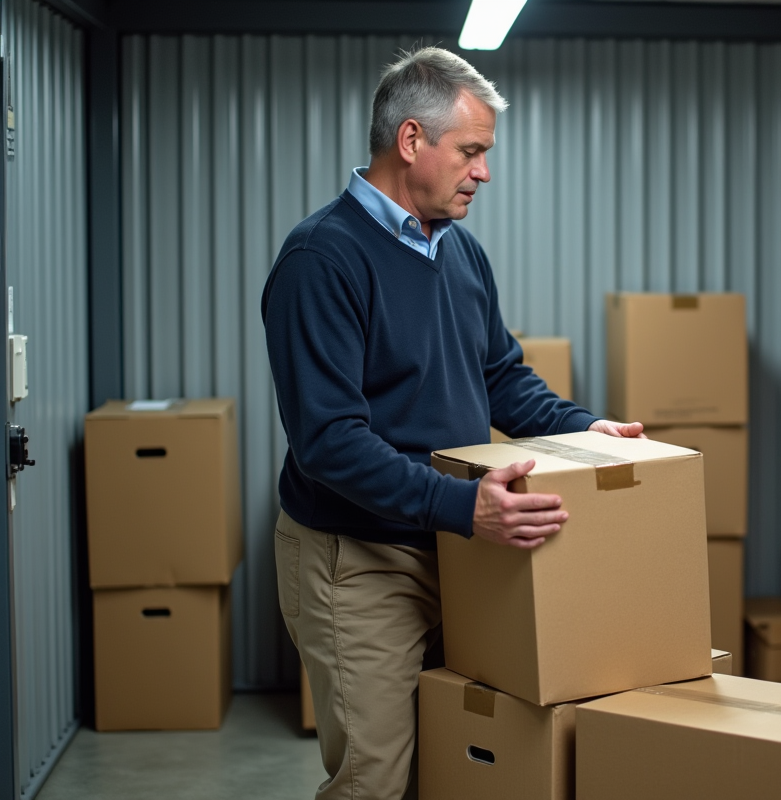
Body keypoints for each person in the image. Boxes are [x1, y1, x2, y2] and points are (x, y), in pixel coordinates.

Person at [261, 46, 642, 800]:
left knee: (458, 759)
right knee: (376, 777)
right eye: (472, 151)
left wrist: (582, 428)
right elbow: (330, 442)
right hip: (359, 558)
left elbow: (499, 377)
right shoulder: (321, 258)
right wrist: (466, 507)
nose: (484, 172)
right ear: (411, 142)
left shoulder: (459, 252)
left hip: (455, 547)